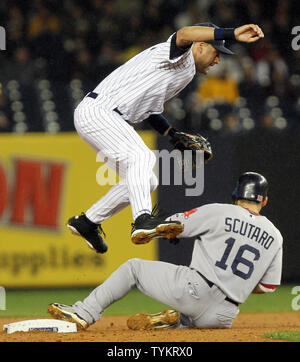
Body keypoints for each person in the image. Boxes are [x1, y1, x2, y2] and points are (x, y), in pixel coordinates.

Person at [67, 23, 264, 254]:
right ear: (200, 46)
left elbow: (150, 111)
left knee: (146, 181)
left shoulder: (186, 72)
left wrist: (173, 135)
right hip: (99, 112)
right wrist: (231, 34)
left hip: (106, 116)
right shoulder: (178, 54)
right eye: (216, 53)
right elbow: (184, 34)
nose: (218, 60)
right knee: (141, 157)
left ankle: (88, 222)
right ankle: (142, 219)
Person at [48, 172, 282, 330]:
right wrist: (232, 285)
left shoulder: (221, 211)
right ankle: (179, 319)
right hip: (224, 314)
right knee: (192, 322)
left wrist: (157, 229)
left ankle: (84, 313)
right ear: (266, 201)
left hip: (193, 290)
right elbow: (267, 287)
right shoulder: (275, 236)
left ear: (236, 195)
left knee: (133, 269)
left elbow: (172, 225)